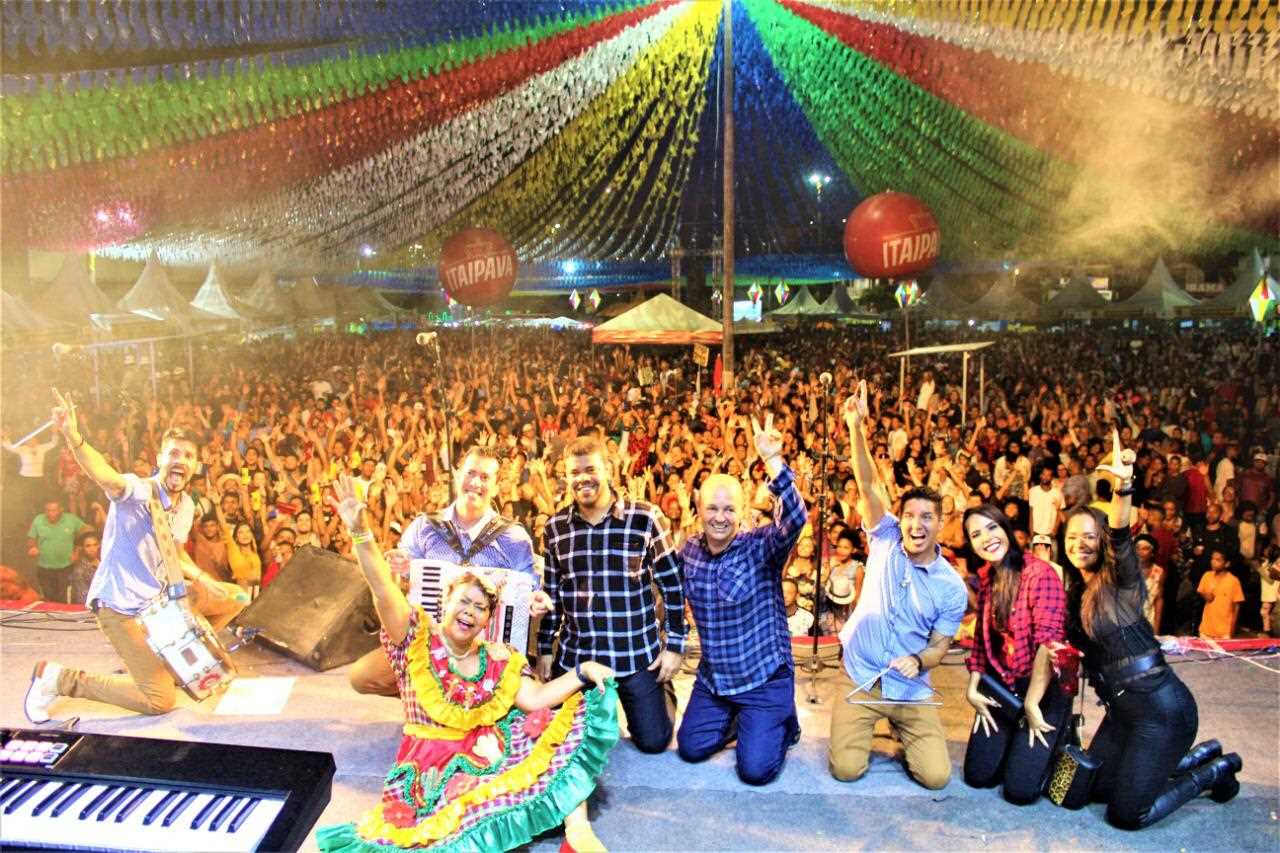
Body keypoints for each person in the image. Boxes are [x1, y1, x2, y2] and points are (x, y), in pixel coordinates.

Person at [317, 476, 618, 853]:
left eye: (480, 608)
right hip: (427, 763)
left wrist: (582, 672)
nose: (470, 612)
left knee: (551, 729)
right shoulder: (413, 637)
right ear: (445, 602)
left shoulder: (497, 656)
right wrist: (360, 532)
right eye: (464, 601)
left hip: (484, 747)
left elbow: (537, 698)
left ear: (487, 619)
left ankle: (579, 832)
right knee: (432, 838)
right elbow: (381, 586)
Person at [24, 391, 245, 721]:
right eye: (173, 453)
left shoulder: (186, 505)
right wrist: (73, 435)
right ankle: (57, 679)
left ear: (196, 465)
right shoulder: (136, 490)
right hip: (121, 608)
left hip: (158, 606)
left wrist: (202, 578)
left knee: (234, 596)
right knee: (159, 700)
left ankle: (165, 661)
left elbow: (175, 554)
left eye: (187, 455)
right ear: (160, 458)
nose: (179, 460)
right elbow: (103, 473)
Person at [1060, 429, 1241, 830]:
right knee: (1096, 789)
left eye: (1090, 536)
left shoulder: (1120, 579)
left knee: (1127, 814)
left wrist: (1123, 484)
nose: (1080, 544)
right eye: (1073, 537)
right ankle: (1199, 755)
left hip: (1162, 712)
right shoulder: (1077, 592)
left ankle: (1213, 771)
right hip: (1123, 713)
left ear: (1102, 541)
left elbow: (1122, 533)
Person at [828, 381, 967, 790]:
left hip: (909, 685)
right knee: (846, 769)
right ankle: (866, 722)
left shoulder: (951, 587)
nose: (917, 524)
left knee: (937, 777)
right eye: (910, 515)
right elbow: (868, 484)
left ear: (939, 524)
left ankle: (902, 730)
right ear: (899, 518)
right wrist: (856, 426)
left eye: (927, 517)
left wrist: (920, 661)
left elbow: (941, 646)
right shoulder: (884, 536)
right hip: (862, 674)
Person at [349, 445, 549, 697]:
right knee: (363, 676)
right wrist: (399, 566)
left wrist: (537, 597)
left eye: (485, 477)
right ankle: (431, 695)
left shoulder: (514, 538)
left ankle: (471, 695)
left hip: (485, 647)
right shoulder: (425, 526)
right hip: (429, 640)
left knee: (526, 696)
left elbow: (528, 591)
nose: (475, 482)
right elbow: (401, 584)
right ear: (457, 475)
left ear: (497, 486)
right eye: (470, 473)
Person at [676, 413, 806, 785]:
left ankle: (782, 719)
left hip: (764, 678)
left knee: (754, 771)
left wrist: (772, 460)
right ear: (698, 509)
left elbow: (795, 519)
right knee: (691, 747)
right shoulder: (689, 552)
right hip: (716, 680)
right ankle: (740, 720)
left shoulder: (762, 546)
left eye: (729, 509)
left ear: (744, 512)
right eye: (712, 508)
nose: (720, 517)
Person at [539, 435, 686, 755]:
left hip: (634, 656)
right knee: (559, 743)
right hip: (579, 657)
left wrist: (674, 645)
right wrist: (544, 649)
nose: (582, 478)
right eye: (574, 473)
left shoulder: (646, 518)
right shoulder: (555, 528)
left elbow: (673, 585)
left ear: (608, 468)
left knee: (654, 742)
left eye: (590, 469)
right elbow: (551, 593)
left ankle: (661, 692)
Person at [961, 504, 1069, 805]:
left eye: (992, 527)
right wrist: (973, 688)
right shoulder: (987, 578)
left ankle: (1057, 734)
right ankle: (1013, 742)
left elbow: (1050, 644)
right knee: (978, 777)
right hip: (1004, 686)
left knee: (1019, 791)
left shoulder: (1040, 574)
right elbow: (982, 644)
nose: (986, 538)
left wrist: (1033, 702)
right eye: (976, 534)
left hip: (1042, 689)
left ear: (1006, 529)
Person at [26, 499, 88, 603]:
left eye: (54, 510)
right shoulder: (38, 520)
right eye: (48, 510)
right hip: (44, 567)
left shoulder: (71, 519)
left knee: (63, 598)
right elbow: (31, 539)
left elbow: (87, 531)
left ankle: (62, 618)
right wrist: (32, 547)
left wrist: (77, 550)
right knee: (48, 598)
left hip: (66, 567)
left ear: (61, 510)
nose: (51, 513)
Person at [1197, 548, 1244, 640]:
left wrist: (1232, 628)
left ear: (1227, 564)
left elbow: (1237, 606)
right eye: (1212, 559)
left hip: (1224, 632)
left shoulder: (1233, 581)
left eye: (1218, 560)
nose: (1213, 562)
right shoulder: (1207, 575)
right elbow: (1201, 591)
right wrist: (1205, 595)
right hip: (1206, 629)